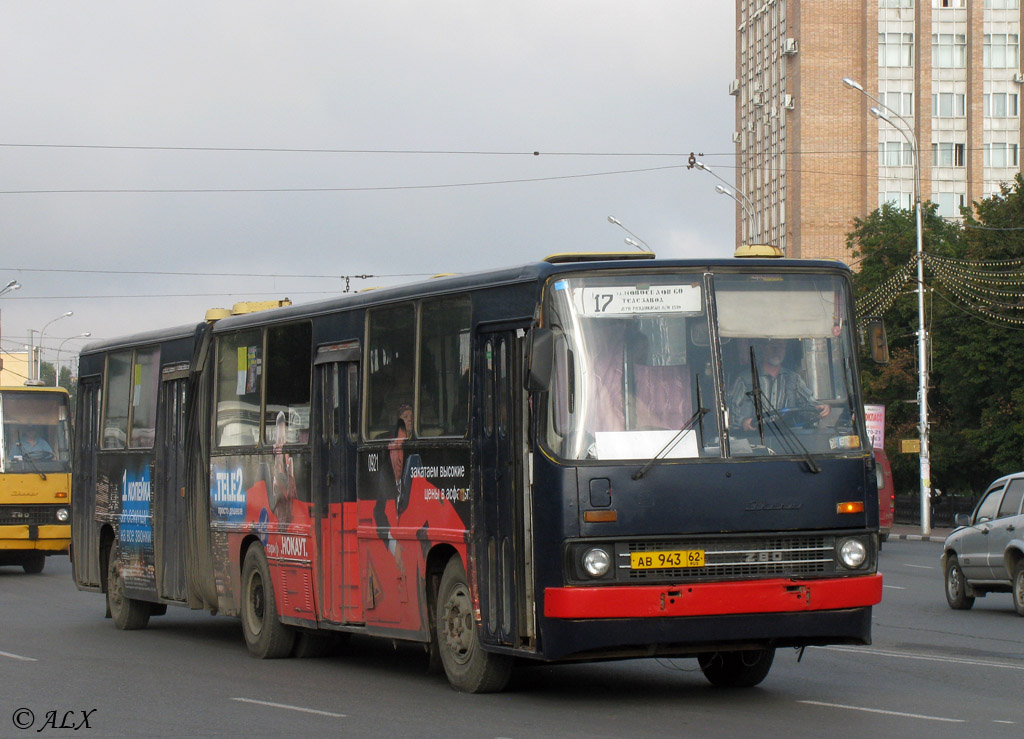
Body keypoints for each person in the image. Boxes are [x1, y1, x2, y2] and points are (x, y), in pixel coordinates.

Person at [729, 339, 830, 432]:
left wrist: (821, 408)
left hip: (788, 442)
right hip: (755, 442)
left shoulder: (794, 379)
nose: (777, 350)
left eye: (781, 347)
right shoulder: (745, 379)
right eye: (773, 346)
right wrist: (743, 422)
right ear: (763, 349)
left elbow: (810, 403)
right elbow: (730, 410)